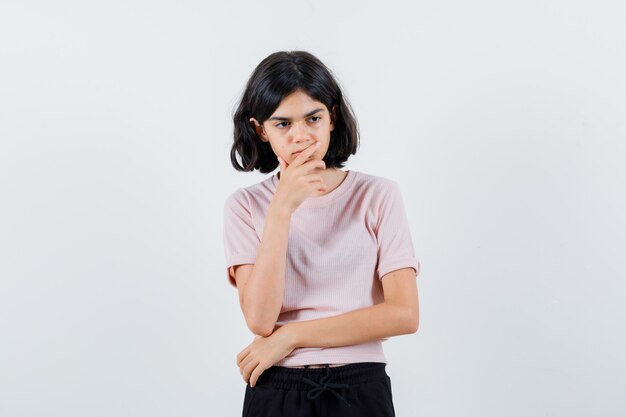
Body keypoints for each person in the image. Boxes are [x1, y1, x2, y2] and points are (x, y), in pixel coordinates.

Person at [223, 50, 421, 417]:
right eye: (282, 124)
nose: (301, 136)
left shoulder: (378, 196)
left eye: (313, 118)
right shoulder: (245, 206)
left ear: (331, 117)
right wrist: (282, 207)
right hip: (275, 386)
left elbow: (404, 314)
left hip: (360, 387)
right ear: (259, 129)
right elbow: (261, 320)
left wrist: (291, 336)